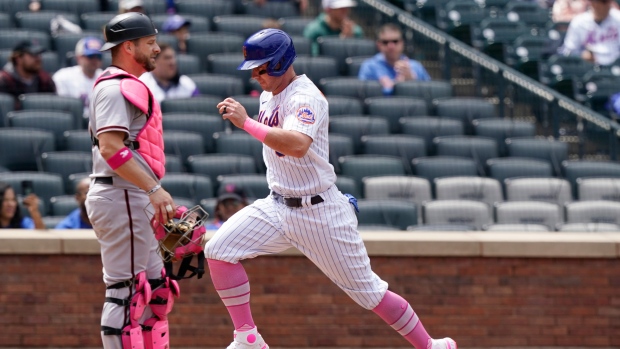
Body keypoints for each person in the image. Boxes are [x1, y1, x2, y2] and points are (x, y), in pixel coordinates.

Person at [207, 28, 457, 349]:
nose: (256, 74)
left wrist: (246, 123)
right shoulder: (270, 93)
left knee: (371, 294)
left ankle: (430, 346)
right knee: (218, 251)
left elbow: (297, 145)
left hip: (318, 212)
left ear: (282, 62)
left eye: (262, 67)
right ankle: (248, 338)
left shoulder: (305, 96)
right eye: (253, 68)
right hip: (277, 205)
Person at [85, 12, 180, 349]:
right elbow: (111, 148)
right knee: (126, 292)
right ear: (129, 46)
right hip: (120, 193)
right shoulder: (113, 88)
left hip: (131, 194)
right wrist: (153, 189)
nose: (156, 49)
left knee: (157, 290)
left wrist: (150, 192)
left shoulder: (129, 84)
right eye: (150, 43)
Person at [358, 23, 431, 95]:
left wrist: (411, 80)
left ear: (402, 43)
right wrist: (384, 88)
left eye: (395, 41)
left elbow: (429, 93)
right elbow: (362, 94)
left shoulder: (416, 67)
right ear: (379, 45)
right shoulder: (369, 66)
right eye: (385, 42)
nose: (391, 46)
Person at [53, 37, 104, 120]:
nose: (95, 60)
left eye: (98, 56)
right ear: (79, 58)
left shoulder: (107, 78)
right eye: (90, 56)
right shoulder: (63, 76)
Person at [559, 0, 620, 65]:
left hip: (616, 66)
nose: (606, 5)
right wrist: (581, 55)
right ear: (592, 3)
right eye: (602, 2)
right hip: (587, 67)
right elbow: (568, 51)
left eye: (607, 2)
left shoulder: (618, 18)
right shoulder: (579, 22)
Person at [0, 39, 56, 110]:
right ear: (18, 59)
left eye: (39, 54)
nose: (38, 58)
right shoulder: (4, 81)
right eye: (33, 55)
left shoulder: (46, 80)